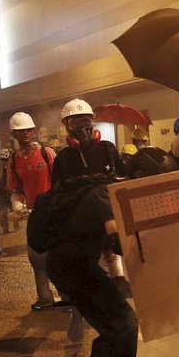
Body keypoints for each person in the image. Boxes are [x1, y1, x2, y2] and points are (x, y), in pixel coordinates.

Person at [44, 169, 165, 357]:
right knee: (126, 323)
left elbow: (107, 245)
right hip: (73, 268)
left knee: (111, 327)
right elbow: (115, 237)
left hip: (72, 266)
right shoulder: (105, 194)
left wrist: (119, 273)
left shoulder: (105, 191)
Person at [51, 98, 126, 281]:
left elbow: (123, 180)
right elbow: (58, 192)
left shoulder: (108, 149)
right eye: (75, 122)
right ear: (68, 127)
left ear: (93, 123)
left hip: (108, 217)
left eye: (86, 120)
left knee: (111, 255)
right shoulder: (63, 158)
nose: (82, 126)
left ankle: (119, 279)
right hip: (82, 219)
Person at [6, 111, 60, 310]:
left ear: (34, 131)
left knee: (58, 255)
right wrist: (18, 205)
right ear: (14, 134)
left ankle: (67, 295)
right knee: (36, 257)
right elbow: (16, 189)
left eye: (29, 130)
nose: (26, 134)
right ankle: (45, 297)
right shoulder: (13, 160)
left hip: (53, 213)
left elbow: (60, 181)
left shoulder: (47, 153)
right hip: (34, 216)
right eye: (21, 131)